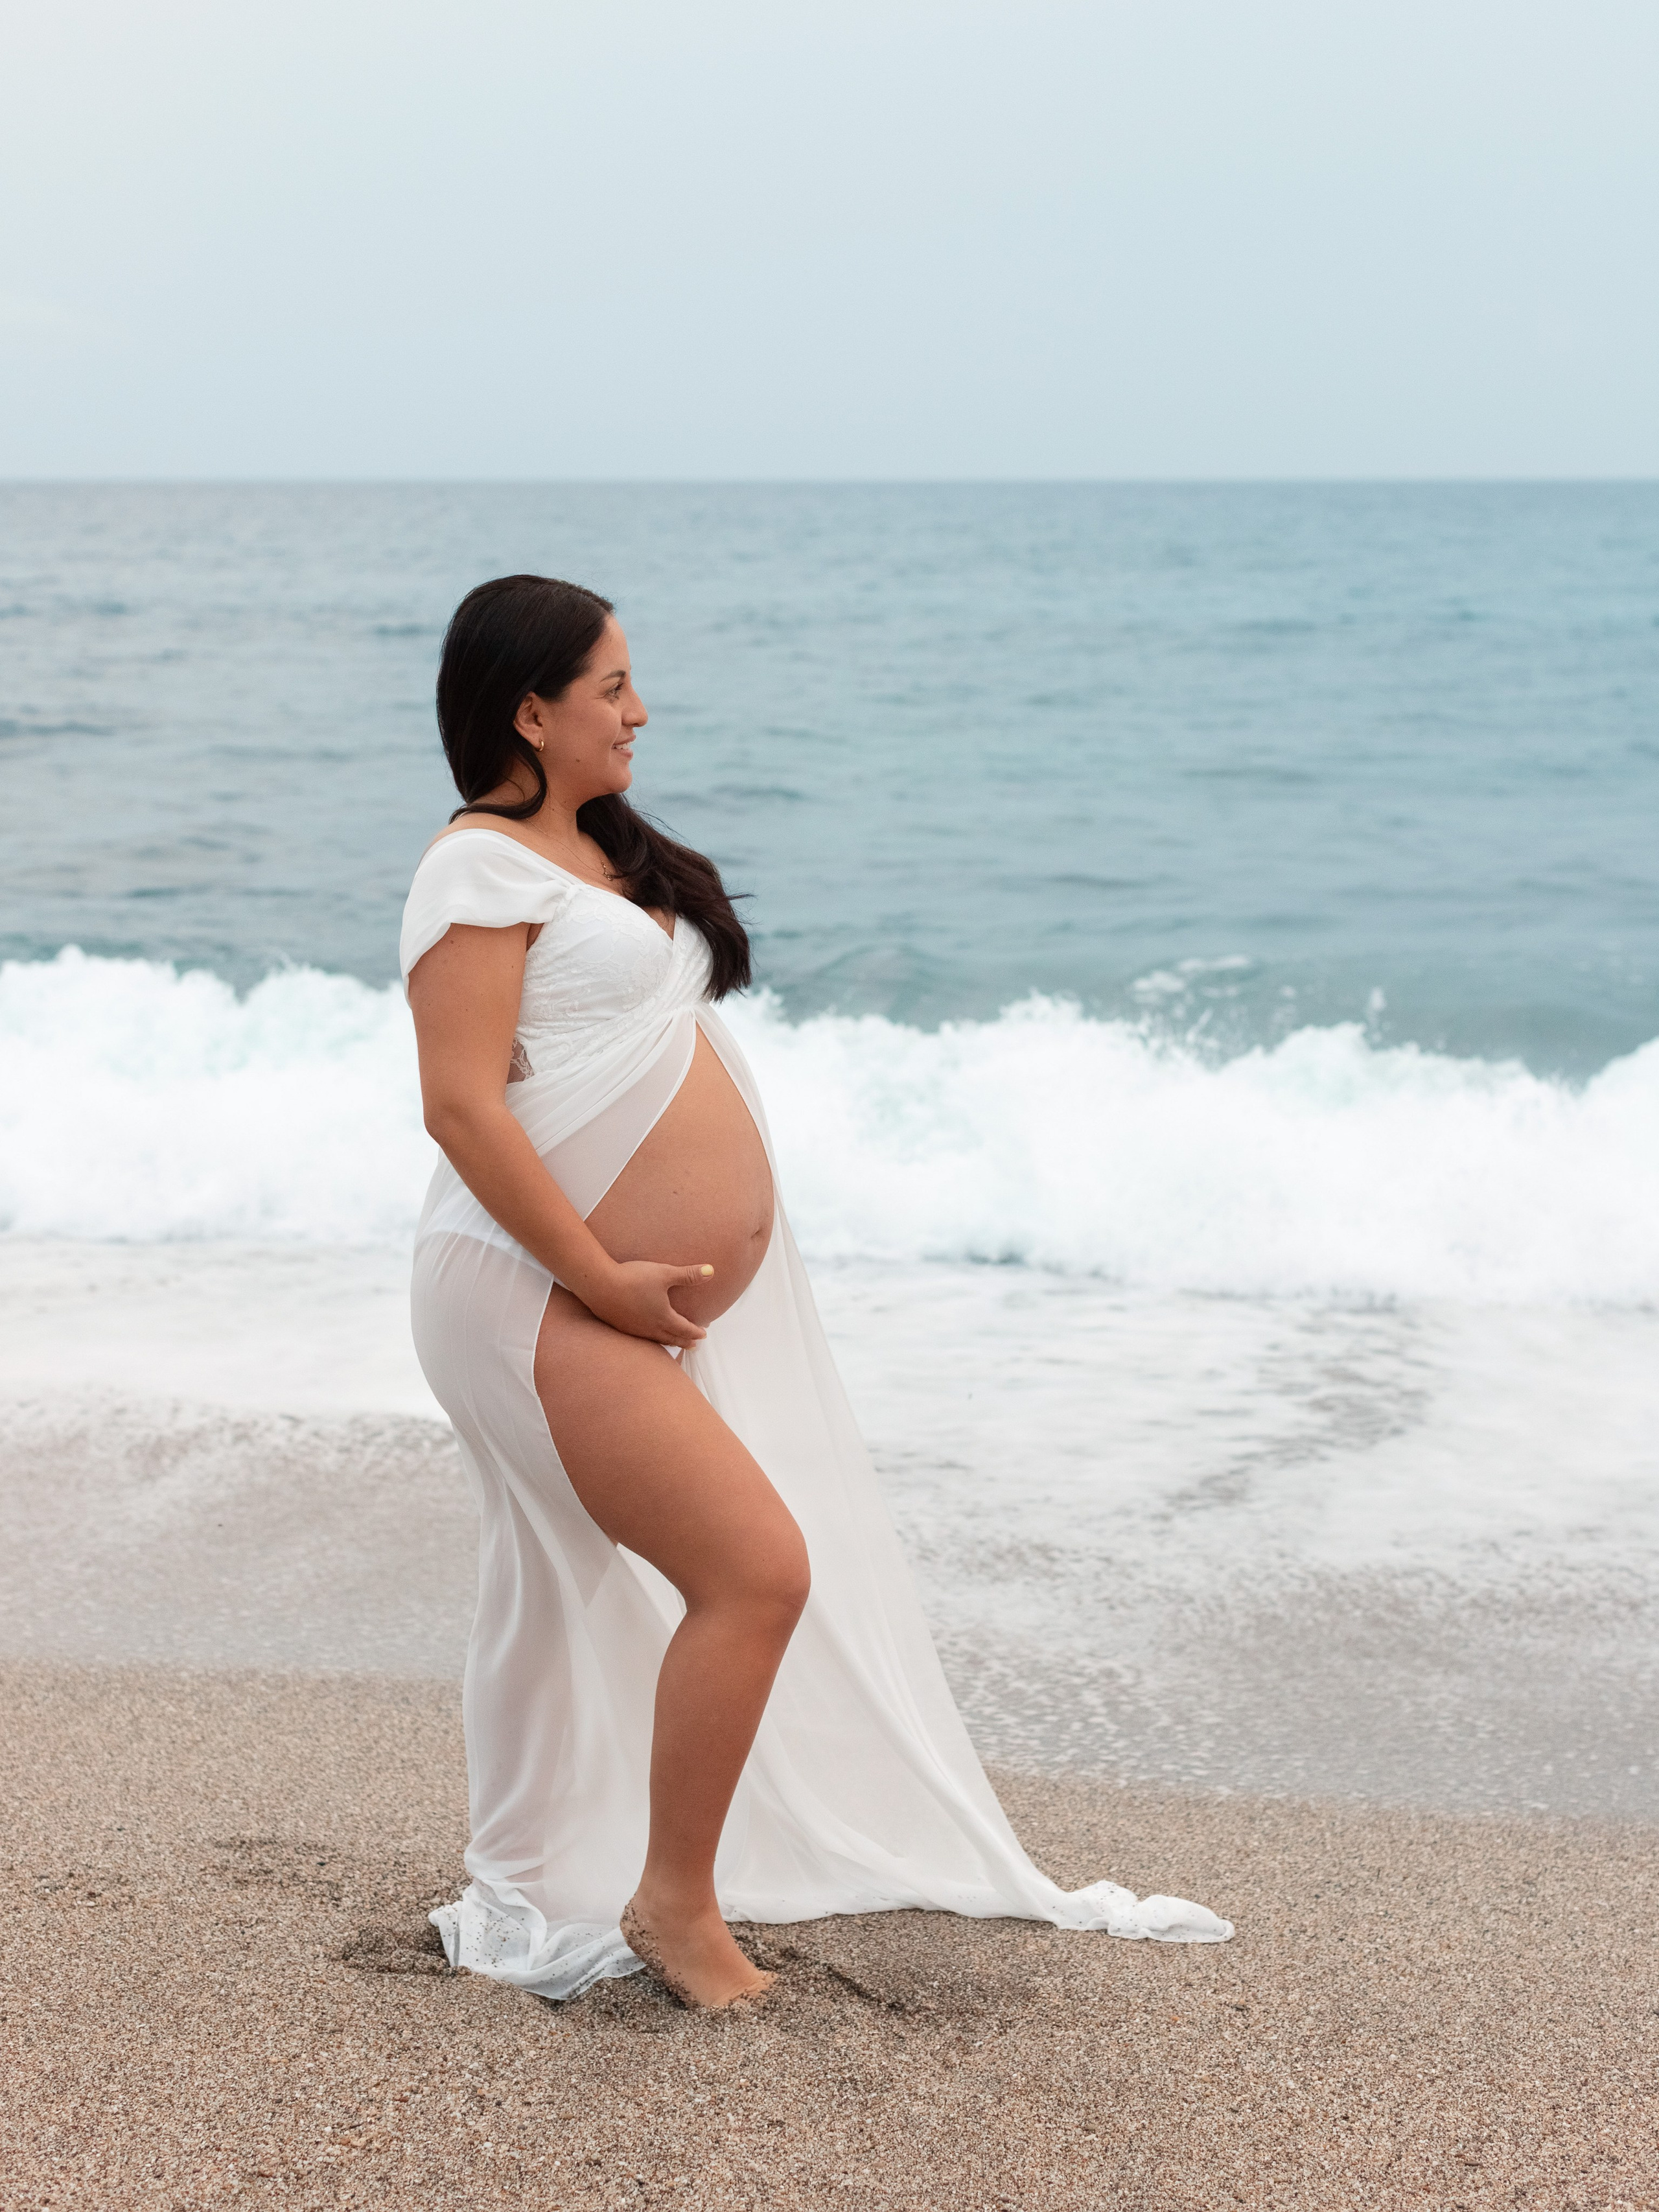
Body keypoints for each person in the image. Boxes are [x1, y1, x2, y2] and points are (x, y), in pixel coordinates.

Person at [402, 574, 1231, 2012]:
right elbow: (462, 1113)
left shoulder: (595, 858)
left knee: (557, 1588)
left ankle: (542, 1874)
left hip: (587, 1295)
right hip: (526, 1292)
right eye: (608, 687)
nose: (639, 709)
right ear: (528, 711)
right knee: (756, 1572)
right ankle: (672, 1905)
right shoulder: (472, 871)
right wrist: (599, 1269)